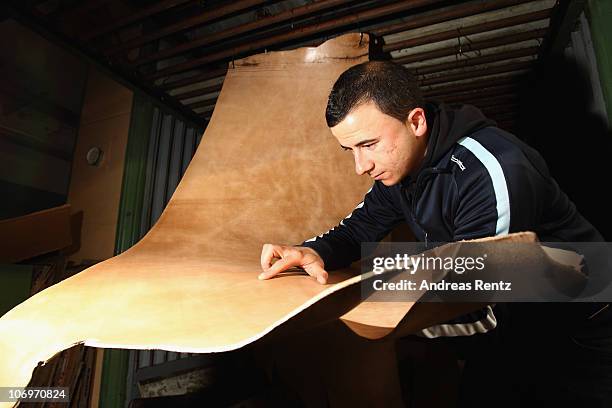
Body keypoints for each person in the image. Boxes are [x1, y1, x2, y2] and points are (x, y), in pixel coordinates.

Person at [258, 60, 611, 406]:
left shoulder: (493, 170)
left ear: (416, 121)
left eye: (368, 144)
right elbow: (359, 229)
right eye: (349, 150)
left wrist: (359, 321)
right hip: (515, 324)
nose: (360, 166)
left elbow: (485, 307)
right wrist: (315, 251)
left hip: (583, 329)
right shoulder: (401, 167)